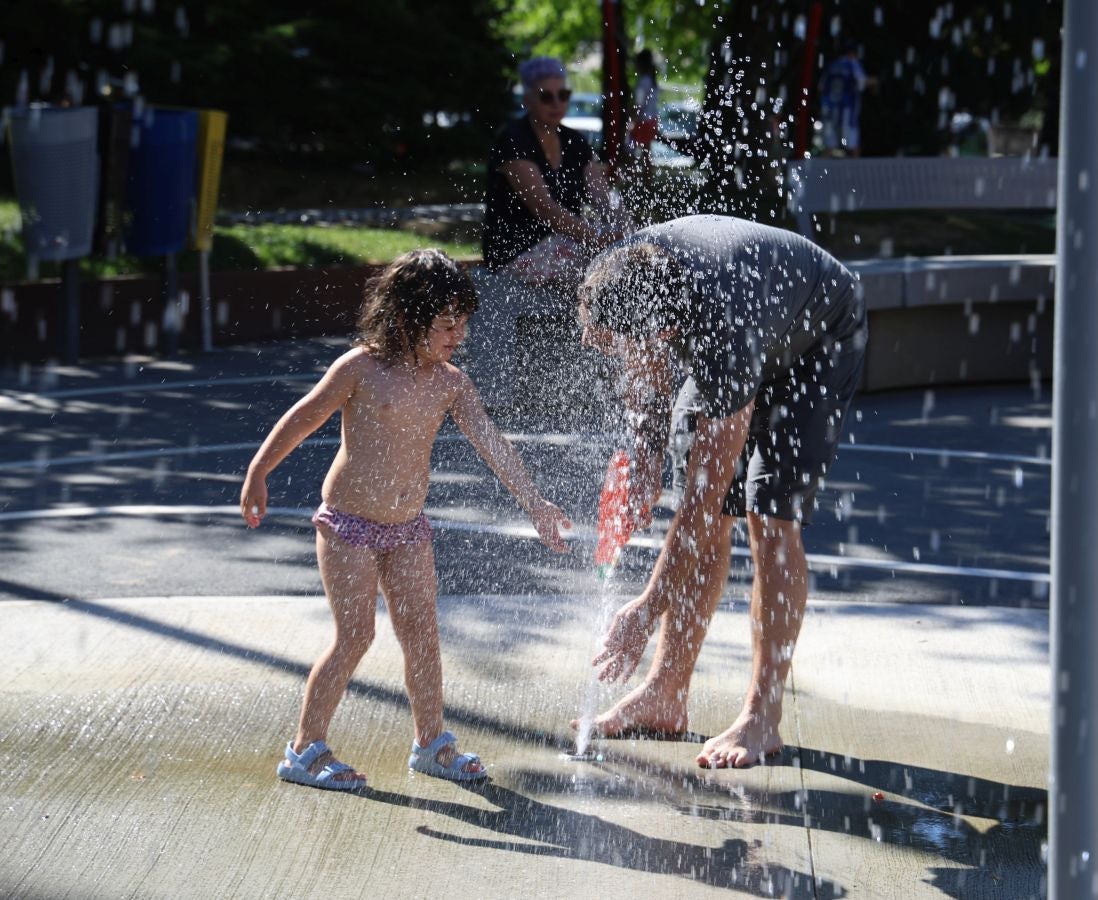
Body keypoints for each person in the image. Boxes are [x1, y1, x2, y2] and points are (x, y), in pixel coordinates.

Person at [240, 249, 571, 791]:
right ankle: (303, 749)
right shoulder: (361, 368)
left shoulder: (450, 383)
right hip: (350, 525)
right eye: (446, 324)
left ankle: (430, 742)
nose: (458, 335)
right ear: (406, 317)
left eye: (463, 323)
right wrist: (259, 470)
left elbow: (491, 443)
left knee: (422, 635)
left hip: (407, 529)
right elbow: (304, 416)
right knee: (355, 636)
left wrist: (535, 503)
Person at [571, 215, 867, 769]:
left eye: (615, 346)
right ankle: (665, 694)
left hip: (819, 335)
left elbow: (702, 506)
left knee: (765, 514)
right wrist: (645, 450)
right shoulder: (621, 271)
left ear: (660, 333)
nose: (604, 353)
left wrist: (645, 609)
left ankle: (762, 716)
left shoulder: (722, 328)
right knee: (707, 500)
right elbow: (643, 371)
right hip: (752, 308)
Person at [482, 56, 630, 288]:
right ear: (528, 100)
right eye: (546, 96)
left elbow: (604, 196)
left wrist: (627, 230)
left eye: (563, 95)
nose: (556, 103)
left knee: (630, 259)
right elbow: (545, 209)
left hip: (566, 243)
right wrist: (600, 239)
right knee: (608, 269)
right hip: (517, 250)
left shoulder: (575, 141)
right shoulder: (514, 141)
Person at [818, 41, 874, 158]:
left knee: (829, 145)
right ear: (852, 53)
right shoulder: (851, 64)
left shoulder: (833, 65)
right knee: (852, 144)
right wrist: (875, 81)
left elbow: (821, 87)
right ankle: (856, 174)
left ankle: (815, 173)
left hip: (831, 110)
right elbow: (861, 82)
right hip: (847, 111)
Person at [629, 49, 661, 168]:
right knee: (647, 154)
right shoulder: (652, 81)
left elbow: (638, 103)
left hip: (642, 120)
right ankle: (647, 181)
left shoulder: (643, 82)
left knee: (632, 152)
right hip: (652, 120)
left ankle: (630, 180)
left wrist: (631, 119)